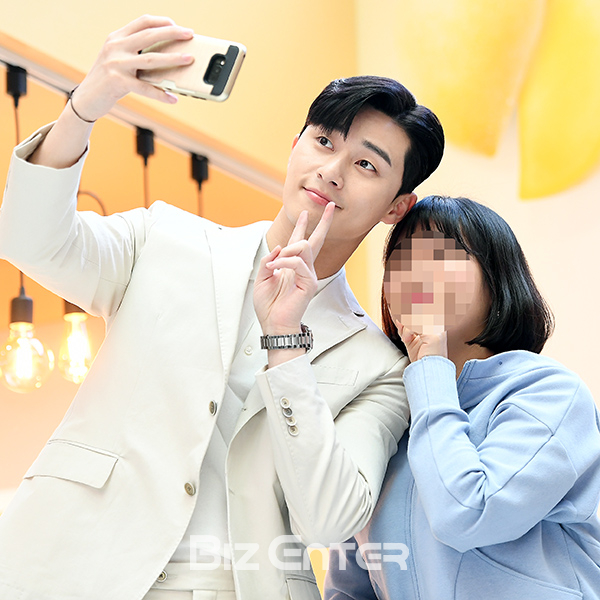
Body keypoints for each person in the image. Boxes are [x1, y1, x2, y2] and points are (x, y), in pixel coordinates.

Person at [0, 15, 445, 600]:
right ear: (295, 146)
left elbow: (330, 519)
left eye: (366, 165)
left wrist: (284, 343)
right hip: (69, 565)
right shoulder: (164, 238)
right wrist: (85, 107)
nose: (331, 171)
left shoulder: (380, 366)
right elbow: (30, 239)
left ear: (395, 207)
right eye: (323, 141)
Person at [324, 195, 600, 600]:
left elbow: (467, 515)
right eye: (400, 261)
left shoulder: (549, 393)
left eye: (442, 256)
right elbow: (349, 587)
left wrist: (430, 371)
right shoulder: (384, 412)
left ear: (497, 277)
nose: (416, 274)